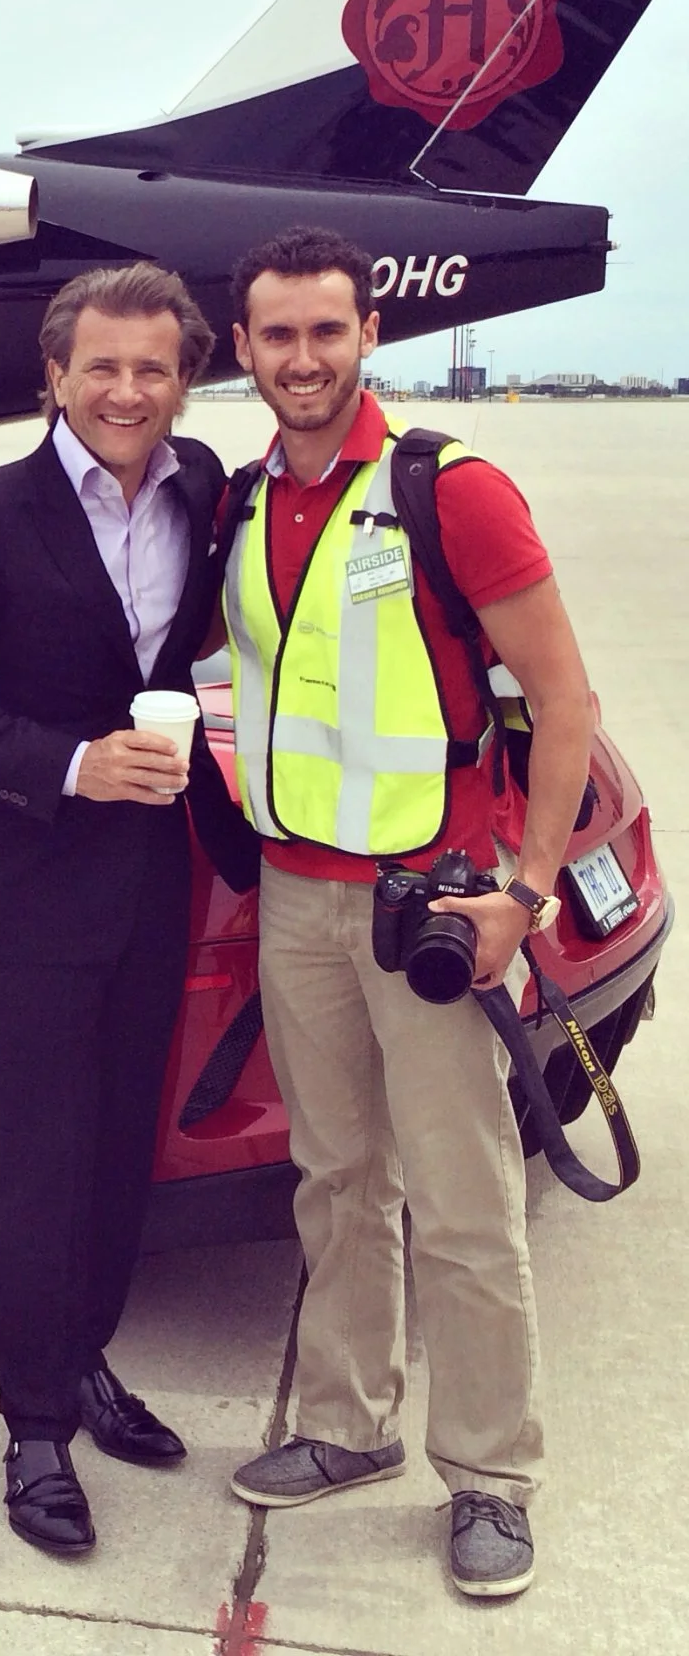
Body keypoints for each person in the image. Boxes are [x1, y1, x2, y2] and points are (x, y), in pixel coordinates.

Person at [220, 226, 594, 1601]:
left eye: (327, 331)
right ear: (244, 347)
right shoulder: (244, 503)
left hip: (430, 900)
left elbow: (565, 703)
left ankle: (491, 1476)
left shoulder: (449, 491)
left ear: (369, 334)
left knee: (464, 1202)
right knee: (336, 1181)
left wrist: (526, 895)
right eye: (277, 335)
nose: (303, 358)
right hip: (296, 896)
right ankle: (345, 1423)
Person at [0, 261, 255, 1555]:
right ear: (55, 374)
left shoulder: (200, 487)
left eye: (153, 368)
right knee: (44, 1155)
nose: (126, 390)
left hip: (156, 870)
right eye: (101, 365)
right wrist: (69, 765)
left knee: (118, 1146)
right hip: (38, 875)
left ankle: (86, 1354)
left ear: (185, 381)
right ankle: (34, 1425)